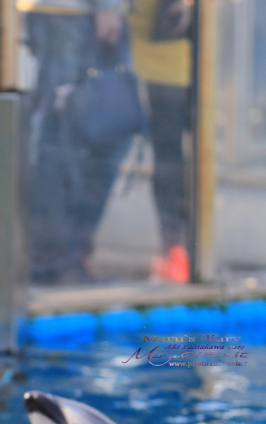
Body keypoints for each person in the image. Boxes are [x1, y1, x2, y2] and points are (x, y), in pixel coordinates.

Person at [20, 0, 129, 284]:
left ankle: (69, 249)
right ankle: (54, 256)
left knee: (105, 130)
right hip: (71, 13)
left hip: (78, 14)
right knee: (62, 133)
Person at [128, 0, 193, 282]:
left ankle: (180, 247)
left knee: (180, 157)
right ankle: (173, 247)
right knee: (169, 156)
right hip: (152, 58)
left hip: (193, 58)